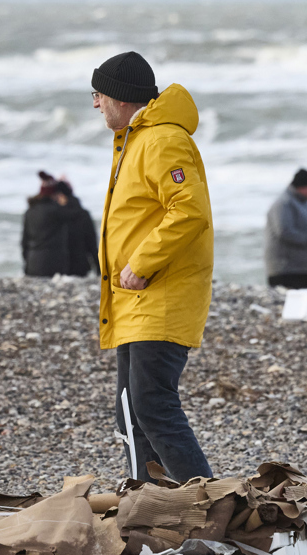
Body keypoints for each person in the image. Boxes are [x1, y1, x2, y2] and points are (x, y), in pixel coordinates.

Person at [91, 51, 214, 483]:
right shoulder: (136, 139)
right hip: (134, 300)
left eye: (98, 94)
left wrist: (142, 263)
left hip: (159, 295)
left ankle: (208, 513)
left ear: (121, 98)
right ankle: (151, 509)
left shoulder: (162, 140)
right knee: (129, 412)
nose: (95, 104)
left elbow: (189, 210)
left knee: (151, 405)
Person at [21, 172, 97, 278]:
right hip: (55, 268)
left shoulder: (30, 211)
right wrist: (67, 191)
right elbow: (79, 214)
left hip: (32, 266)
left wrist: (27, 264)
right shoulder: (58, 211)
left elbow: (24, 242)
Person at [264, 168, 307, 289]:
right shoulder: (284, 203)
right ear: (303, 187)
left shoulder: (302, 204)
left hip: (301, 268)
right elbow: (284, 231)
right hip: (285, 270)